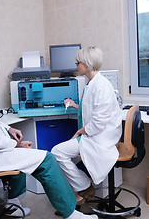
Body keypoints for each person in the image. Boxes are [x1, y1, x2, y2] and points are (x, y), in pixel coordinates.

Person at [0, 46, 97, 219]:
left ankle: (13, 205)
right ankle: (72, 214)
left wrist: (8, 129)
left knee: (22, 156)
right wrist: (15, 144)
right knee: (47, 160)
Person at [51, 47, 123, 206]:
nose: (76, 66)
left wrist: (79, 131)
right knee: (65, 156)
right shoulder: (92, 83)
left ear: (88, 64)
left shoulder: (101, 86)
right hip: (94, 134)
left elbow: (98, 122)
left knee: (57, 152)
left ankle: (84, 187)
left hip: (100, 138)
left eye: (78, 62)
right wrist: (76, 106)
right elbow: (93, 111)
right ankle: (81, 191)